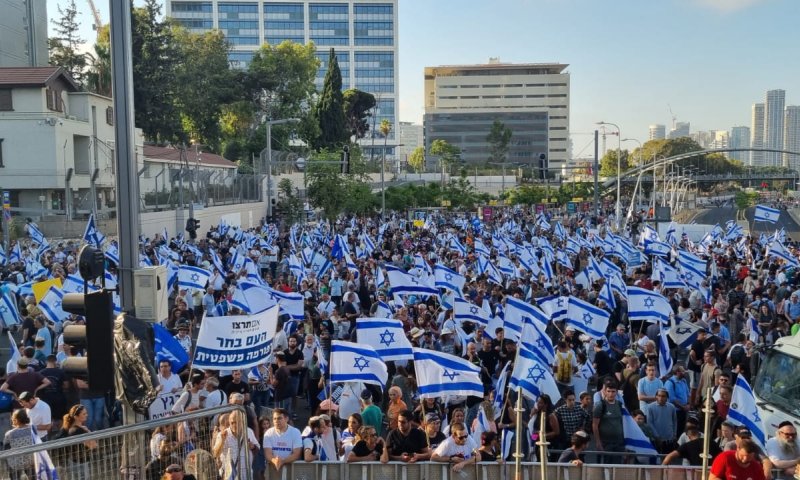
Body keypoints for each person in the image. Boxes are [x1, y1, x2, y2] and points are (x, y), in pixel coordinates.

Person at [592, 378, 625, 464]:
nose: (611, 394)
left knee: (617, 467)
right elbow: (595, 425)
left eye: (613, 391)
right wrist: (598, 442)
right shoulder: (600, 406)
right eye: (609, 391)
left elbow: (624, 422)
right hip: (605, 443)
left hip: (618, 443)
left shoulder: (620, 405)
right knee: (604, 468)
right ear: (605, 392)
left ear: (616, 392)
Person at [62, 404, 99, 479]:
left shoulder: (71, 428)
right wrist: (88, 431)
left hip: (73, 461)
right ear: (76, 417)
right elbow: (94, 445)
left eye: (86, 413)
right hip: (81, 464)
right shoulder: (79, 431)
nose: (87, 415)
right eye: (84, 414)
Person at [3, 409, 36, 479]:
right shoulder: (33, 429)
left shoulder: (9, 434)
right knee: (33, 477)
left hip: (15, 462)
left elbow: (5, 449)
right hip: (30, 460)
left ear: (15, 420)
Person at [646, 389, 677, 454]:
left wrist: (674, 434)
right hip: (656, 439)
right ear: (656, 396)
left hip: (669, 439)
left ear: (667, 398)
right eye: (659, 396)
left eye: (663, 396)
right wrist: (656, 436)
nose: (661, 398)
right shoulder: (650, 407)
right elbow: (649, 423)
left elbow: (674, 421)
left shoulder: (671, 407)